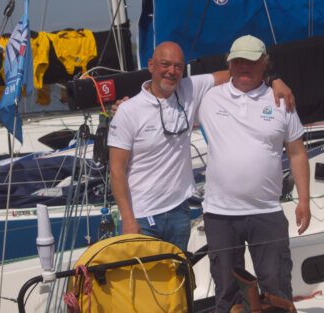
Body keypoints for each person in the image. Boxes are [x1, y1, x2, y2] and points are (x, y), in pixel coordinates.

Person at [108, 41, 294, 251]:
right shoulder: (128, 111)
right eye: (165, 64)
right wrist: (128, 219)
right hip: (142, 216)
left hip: (179, 211)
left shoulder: (189, 88)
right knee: (142, 281)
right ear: (151, 65)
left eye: (178, 66)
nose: (172, 72)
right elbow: (116, 170)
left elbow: (235, 73)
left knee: (175, 280)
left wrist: (273, 79)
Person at [197, 35, 310, 312]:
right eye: (238, 62)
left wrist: (304, 201)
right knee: (227, 293)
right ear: (230, 64)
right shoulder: (209, 98)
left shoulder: (281, 100)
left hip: (267, 212)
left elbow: (296, 153)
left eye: (251, 61)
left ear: (265, 64)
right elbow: (166, 98)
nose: (244, 67)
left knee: (277, 287)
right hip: (220, 214)